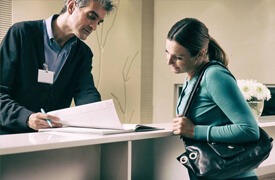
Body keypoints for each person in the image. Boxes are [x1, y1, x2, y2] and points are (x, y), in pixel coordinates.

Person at [0, 0, 115, 135]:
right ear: (72, 6)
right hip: (9, 136)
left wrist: (101, 116)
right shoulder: (21, 33)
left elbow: (86, 92)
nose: (94, 27)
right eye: (91, 16)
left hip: (52, 140)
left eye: (99, 22)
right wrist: (26, 118)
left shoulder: (83, 54)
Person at [166, 18, 260, 179]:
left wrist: (194, 131)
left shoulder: (214, 75)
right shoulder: (191, 77)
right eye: (167, 52)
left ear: (201, 53)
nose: (169, 61)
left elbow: (249, 130)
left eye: (179, 57)